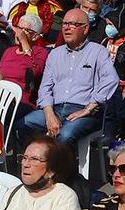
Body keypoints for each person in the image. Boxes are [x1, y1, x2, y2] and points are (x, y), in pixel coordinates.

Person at [21, 9, 115, 146]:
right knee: (22, 125)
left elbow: (111, 80)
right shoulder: (55, 54)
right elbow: (45, 87)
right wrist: (49, 115)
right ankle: (33, 163)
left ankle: (60, 167)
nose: (66, 28)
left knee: (65, 135)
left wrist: (89, 108)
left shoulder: (98, 52)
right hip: (55, 109)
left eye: (72, 24)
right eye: (64, 24)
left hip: (83, 110)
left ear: (85, 28)